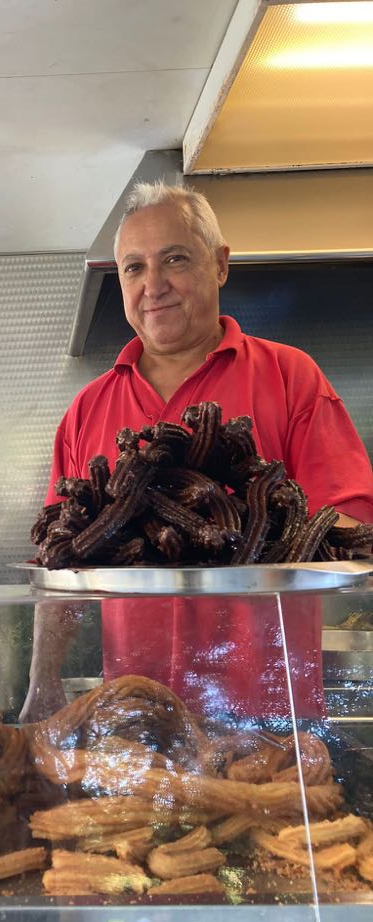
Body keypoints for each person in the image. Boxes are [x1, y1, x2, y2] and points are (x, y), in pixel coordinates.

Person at [21, 181, 373, 724]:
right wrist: (42, 687)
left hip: (270, 716)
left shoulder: (291, 378)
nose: (153, 284)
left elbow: (354, 525)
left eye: (175, 259)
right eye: (133, 268)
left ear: (221, 265)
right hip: (138, 717)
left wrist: (255, 531)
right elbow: (58, 565)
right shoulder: (86, 411)